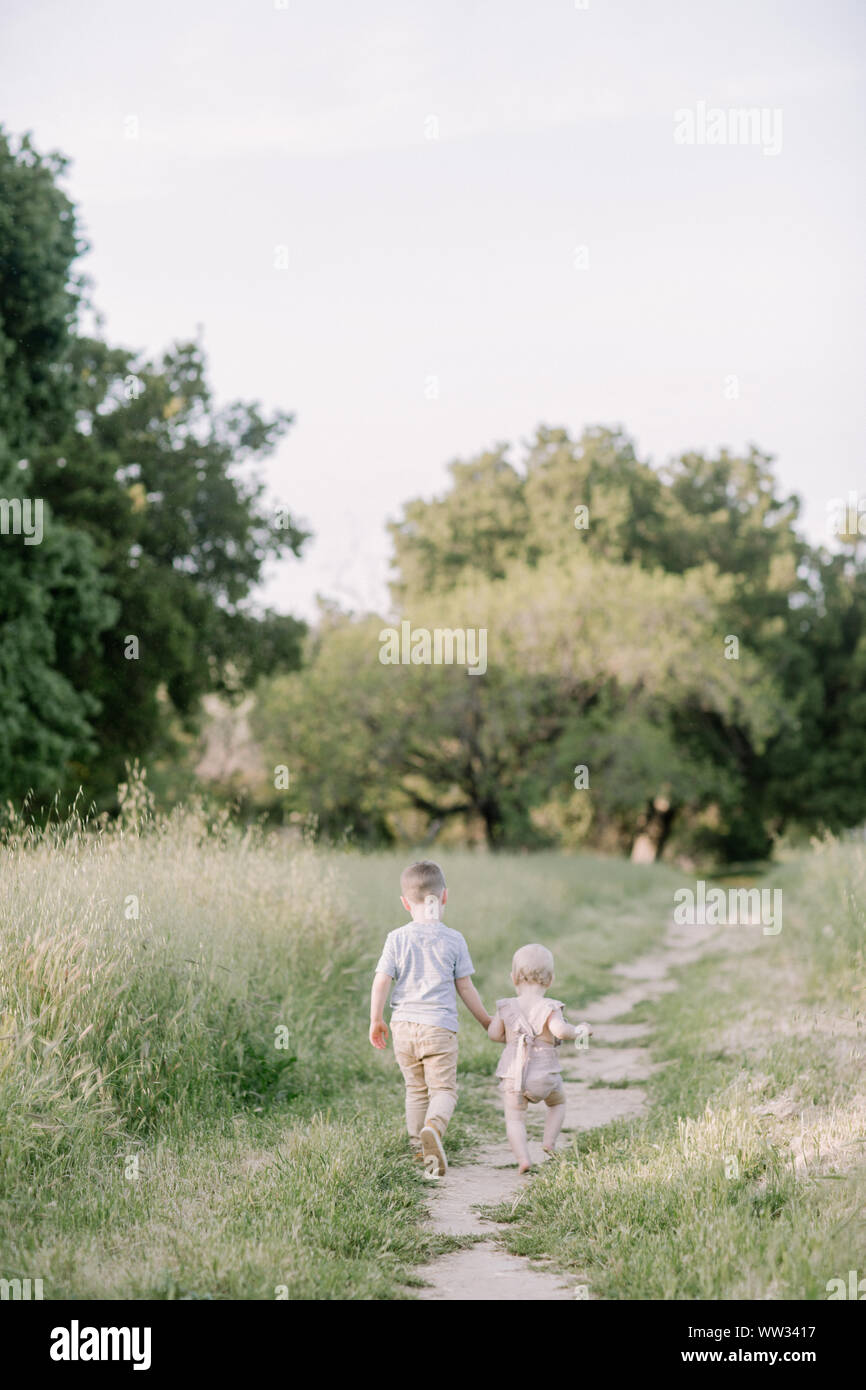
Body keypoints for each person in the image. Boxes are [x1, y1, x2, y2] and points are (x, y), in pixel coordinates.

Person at [369, 859, 491, 1176]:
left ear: (405, 902)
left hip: (403, 1027)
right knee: (444, 1091)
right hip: (439, 1027)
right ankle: (434, 1129)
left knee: (416, 1090)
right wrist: (486, 1021)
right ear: (445, 897)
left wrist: (376, 1019)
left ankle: (417, 1149)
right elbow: (465, 986)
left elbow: (381, 979)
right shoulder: (454, 940)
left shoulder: (396, 938)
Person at [487, 943, 591, 1173]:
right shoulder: (550, 1007)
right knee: (558, 1103)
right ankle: (549, 1141)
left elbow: (494, 1034)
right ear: (551, 979)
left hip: (514, 1076)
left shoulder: (506, 1006)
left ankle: (523, 1158)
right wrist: (580, 1030)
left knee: (515, 1119)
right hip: (544, 1075)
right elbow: (561, 1031)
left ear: (514, 978)